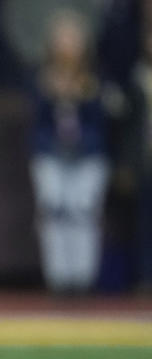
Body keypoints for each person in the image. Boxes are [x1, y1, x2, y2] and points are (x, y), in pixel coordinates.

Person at [29, 9, 111, 295]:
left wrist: (79, 95)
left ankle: (82, 278)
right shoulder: (42, 77)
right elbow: (36, 124)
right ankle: (58, 279)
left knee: (82, 212)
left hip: (87, 156)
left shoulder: (94, 78)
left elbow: (102, 123)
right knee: (54, 212)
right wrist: (54, 94)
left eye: (73, 39)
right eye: (63, 38)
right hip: (52, 155)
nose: (67, 45)